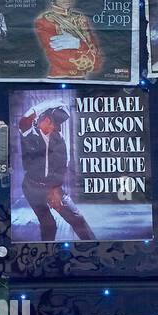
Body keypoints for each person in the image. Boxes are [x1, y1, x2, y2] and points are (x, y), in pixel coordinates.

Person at [17, 101, 97, 241]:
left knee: (77, 219)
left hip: (52, 187)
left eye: (56, 125)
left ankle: (95, 249)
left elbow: (62, 167)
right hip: (32, 188)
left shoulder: (58, 139)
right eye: (52, 123)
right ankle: (47, 254)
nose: (54, 128)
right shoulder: (29, 132)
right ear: (45, 119)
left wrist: (54, 190)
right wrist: (51, 104)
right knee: (49, 225)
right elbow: (25, 119)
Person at [33, 0, 103, 79]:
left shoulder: (81, 19)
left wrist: (78, 44)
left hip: (82, 80)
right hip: (58, 78)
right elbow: (62, 61)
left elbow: (98, 62)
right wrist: (84, 49)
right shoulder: (44, 21)